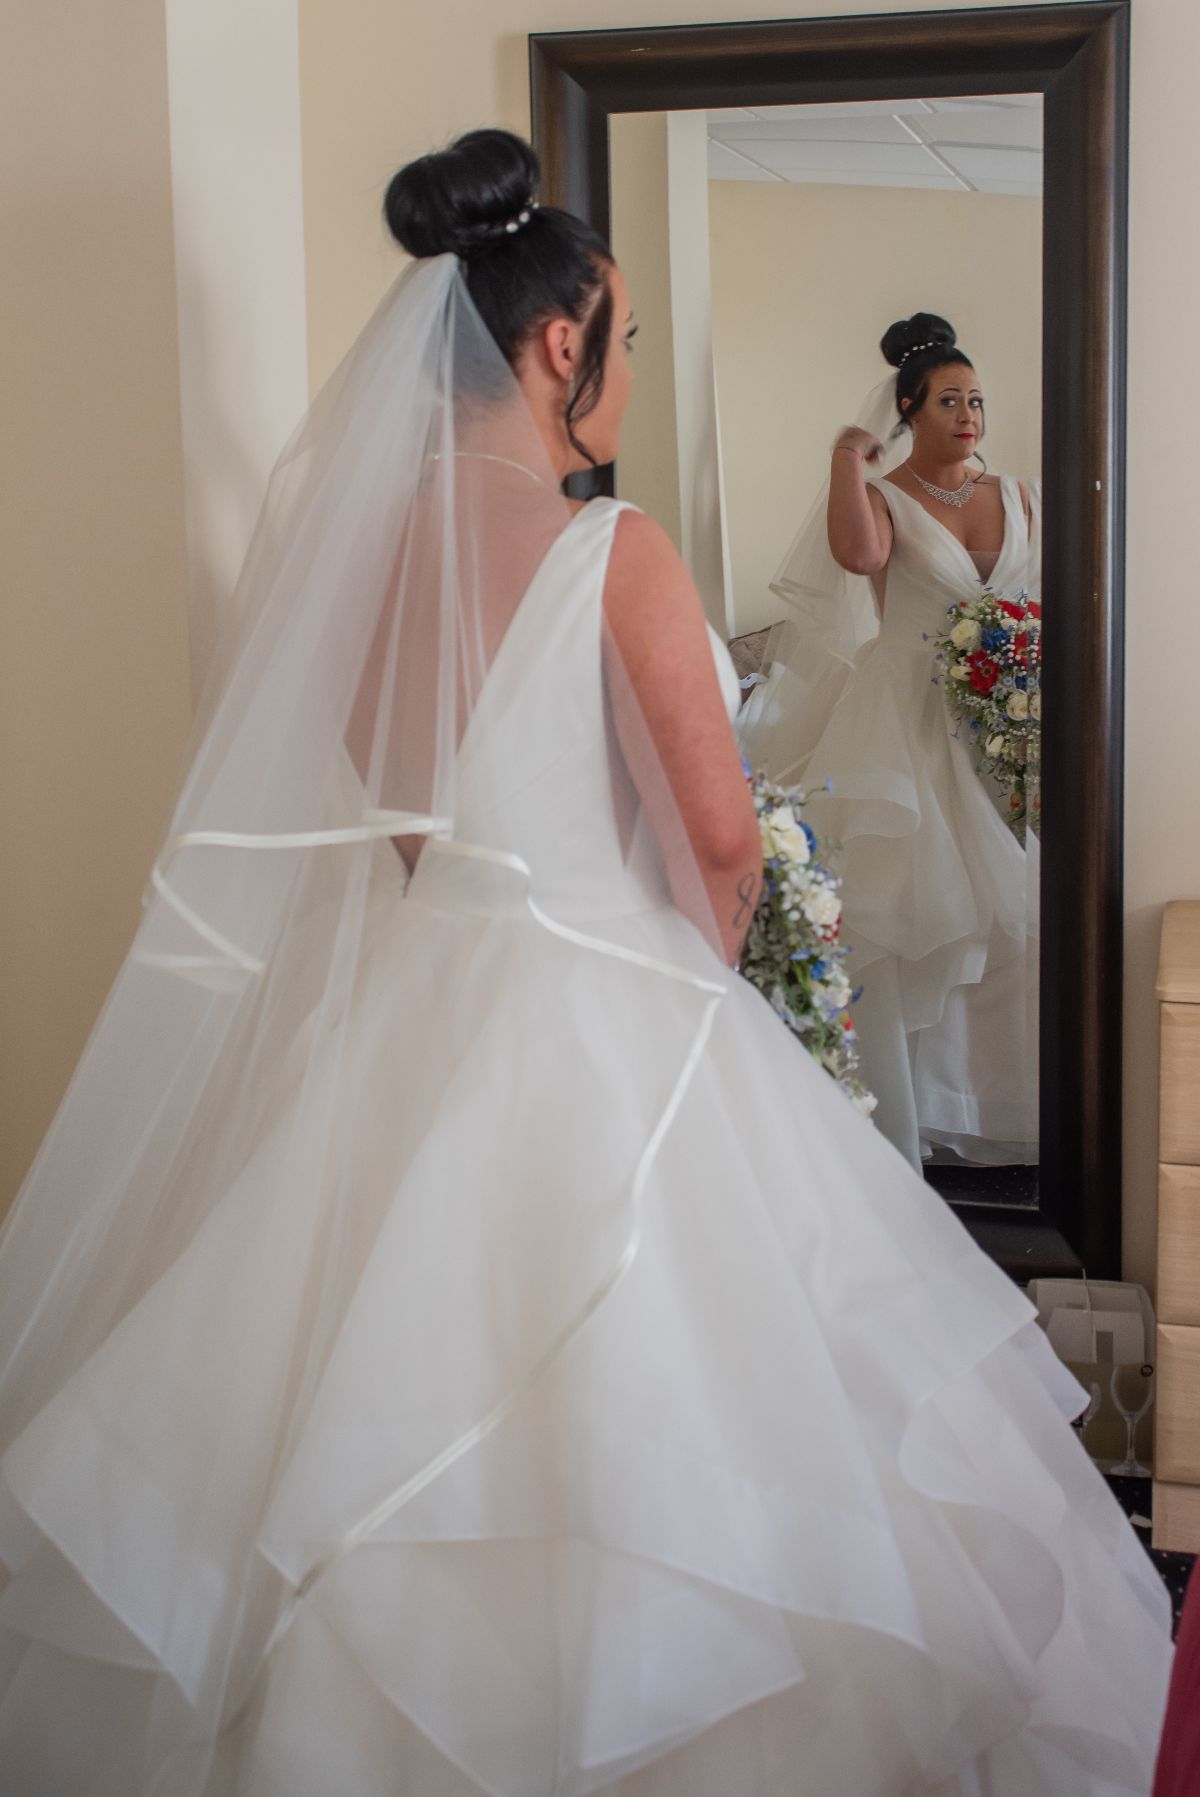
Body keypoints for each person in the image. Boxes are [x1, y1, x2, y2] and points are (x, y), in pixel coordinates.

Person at [0, 134, 1171, 1795]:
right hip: (619, 996)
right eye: (623, 342)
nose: (623, 376)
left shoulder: (350, 560)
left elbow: (412, 827)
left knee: (353, 1403)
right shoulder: (609, 549)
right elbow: (719, 840)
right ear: (564, 344)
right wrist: (691, 996)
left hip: (425, 996)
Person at [741, 315, 1039, 1172]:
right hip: (905, 722)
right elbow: (855, 554)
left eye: (976, 399)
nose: (969, 414)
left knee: (1012, 928)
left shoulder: (1022, 495)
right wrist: (848, 459)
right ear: (909, 409)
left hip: (1008, 714)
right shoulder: (885, 496)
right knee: (912, 922)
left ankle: (1008, 1114)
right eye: (949, 400)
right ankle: (908, 1130)